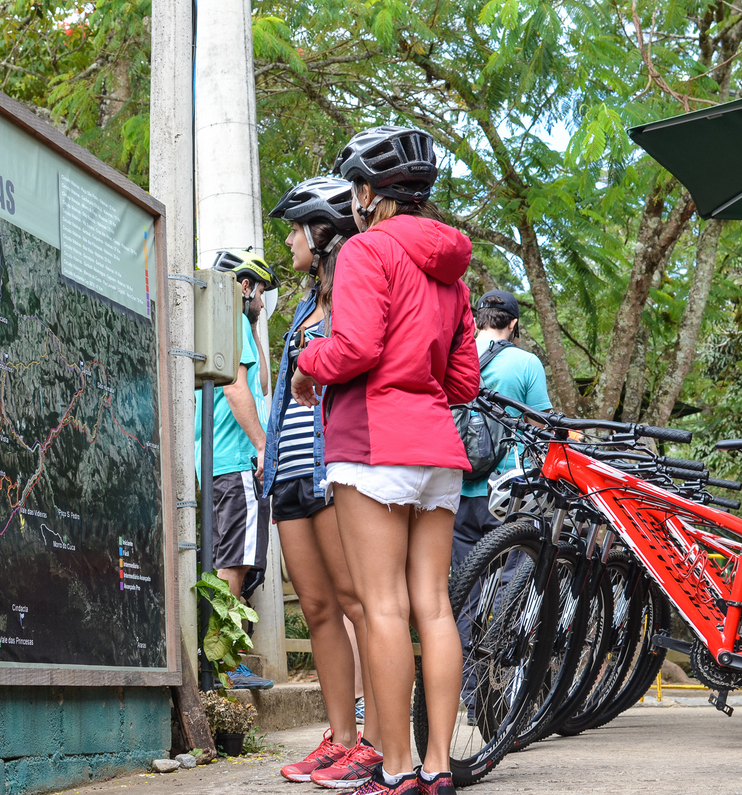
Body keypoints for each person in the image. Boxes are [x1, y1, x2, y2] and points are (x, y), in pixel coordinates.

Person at [293, 126, 478, 795]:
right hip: (437, 451)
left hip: (374, 443)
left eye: (356, 187)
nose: (354, 199)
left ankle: (394, 769)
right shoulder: (453, 274)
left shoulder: (367, 251)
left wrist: (306, 363)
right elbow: (462, 383)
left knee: (380, 607)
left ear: (372, 191)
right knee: (433, 606)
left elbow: (356, 347)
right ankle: (437, 767)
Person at [260, 177, 380, 784]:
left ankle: (380, 740)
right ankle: (339, 737)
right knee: (317, 608)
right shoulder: (305, 308)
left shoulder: (356, 297)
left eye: (294, 229)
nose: (287, 242)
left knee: (360, 604)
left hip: (336, 469)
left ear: (322, 231)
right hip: (289, 469)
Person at [193, 249, 277, 635]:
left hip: (214, 463)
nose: (262, 301)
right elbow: (238, 389)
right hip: (238, 460)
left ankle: (216, 661)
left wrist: (254, 321)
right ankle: (222, 662)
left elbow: (260, 384)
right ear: (245, 286)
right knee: (235, 563)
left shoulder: (222, 326)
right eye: (260, 292)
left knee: (221, 560)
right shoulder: (234, 324)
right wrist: (262, 445)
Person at [452, 289, 552, 570]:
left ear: (476, 320)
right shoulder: (526, 363)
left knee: (464, 584)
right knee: (511, 583)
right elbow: (540, 430)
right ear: (512, 324)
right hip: (510, 490)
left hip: (456, 487)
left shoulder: (454, 359)